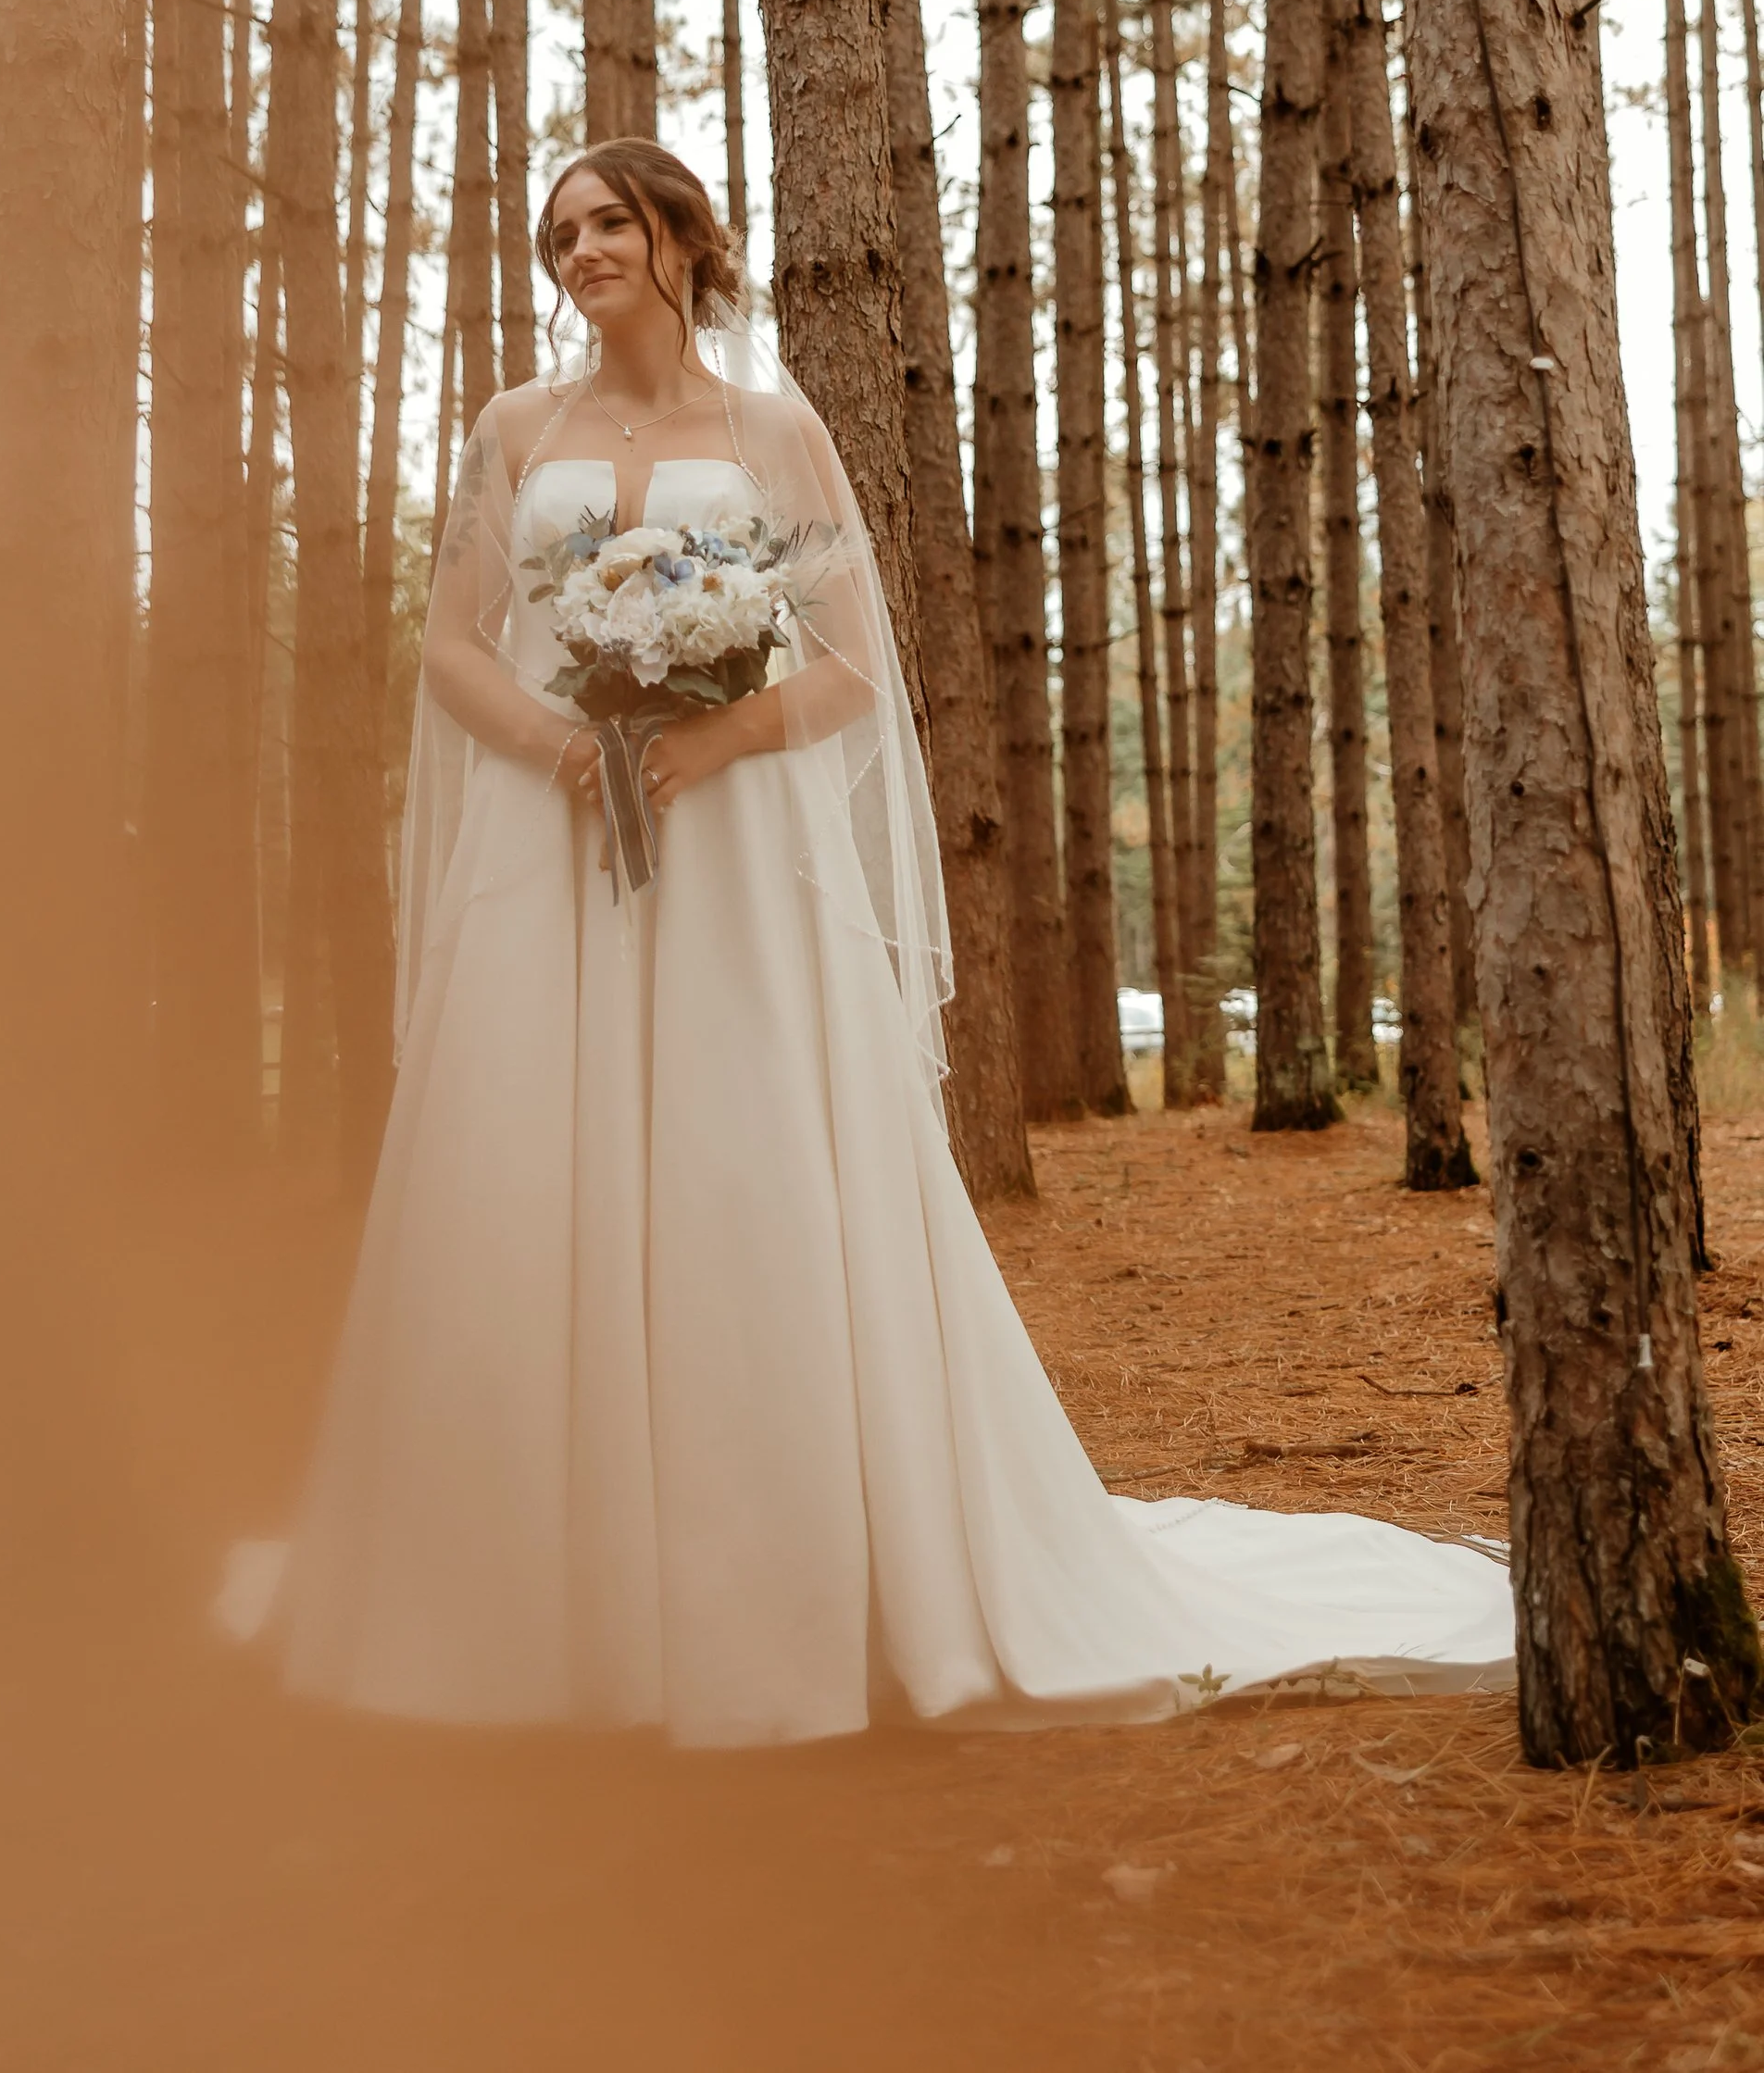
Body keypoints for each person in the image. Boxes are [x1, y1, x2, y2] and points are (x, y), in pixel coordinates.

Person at [225, 140, 1513, 1747]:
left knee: (737, 1162)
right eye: (557, 234)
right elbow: (451, 644)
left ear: (681, 237)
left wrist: (716, 733)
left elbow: (848, 667)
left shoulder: (773, 435)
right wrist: (573, 751)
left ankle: (785, 1577)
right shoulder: (513, 431)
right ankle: (531, 1597)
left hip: (733, 855)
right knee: (530, 1167)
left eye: (607, 224)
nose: (578, 253)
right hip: (551, 853)